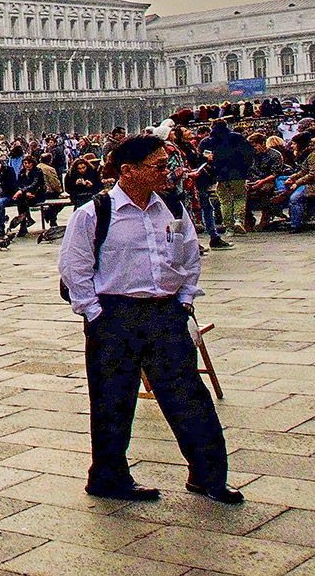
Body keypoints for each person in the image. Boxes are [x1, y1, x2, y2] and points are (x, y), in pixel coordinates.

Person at [58, 135, 238, 504]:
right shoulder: (94, 213)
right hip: (115, 314)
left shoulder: (171, 207)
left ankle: (208, 475)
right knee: (112, 399)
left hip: (166, 314)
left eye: (167, 164)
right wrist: (93, 313)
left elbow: (190, 256)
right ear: (128, 171)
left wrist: (185, 300)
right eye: (158, 166)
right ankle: (108, 477)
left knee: (188, 395)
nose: (167, 172)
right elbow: (75, 268)